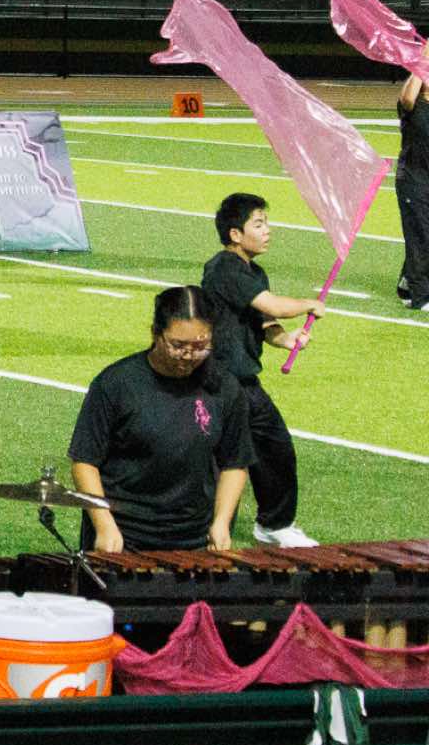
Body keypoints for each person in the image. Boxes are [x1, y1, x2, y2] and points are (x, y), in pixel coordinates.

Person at [70, 286, 253, 552]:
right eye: (177, 346)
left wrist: (222, 521)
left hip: (194, 537)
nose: (188, 356)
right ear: (155, 333)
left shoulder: (225, 387)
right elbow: (85, 461)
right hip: (124, 534)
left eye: (200, 347)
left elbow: (234, 463)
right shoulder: (116, 384)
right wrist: (104, 525)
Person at [198, 192, 323, 547]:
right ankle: (208, 526)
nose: (268, 230)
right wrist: (308, 303)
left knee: (275, 447)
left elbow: (266, 321)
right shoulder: (224, 268)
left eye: (266, 223)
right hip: (219, 381)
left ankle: (273, 524)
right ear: (235, 234)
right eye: (259, 224)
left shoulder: (254, 272)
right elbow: (274, 306)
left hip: (245, 382)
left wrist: (287, 340)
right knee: (223, 459)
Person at [397, 47, 429, 309]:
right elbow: (407, 96)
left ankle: (407, 282)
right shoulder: (412, 107)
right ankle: (421, 296)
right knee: (421, 236)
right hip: (413, 180)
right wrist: (423, 60)